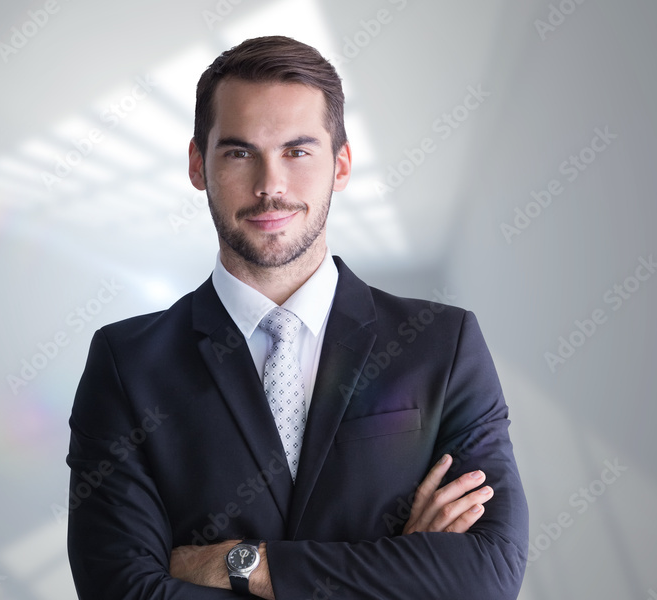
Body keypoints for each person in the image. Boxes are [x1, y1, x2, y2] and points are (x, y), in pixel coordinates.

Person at [66, 35, 528, 599]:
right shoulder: (127, 363)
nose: (270, 186)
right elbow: (123, 592)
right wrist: (400, 572)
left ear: (341, 164)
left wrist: (245, 566)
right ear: (197, 164)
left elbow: (487, 573)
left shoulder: (443, 345)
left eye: (297, 151)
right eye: (239, 152)